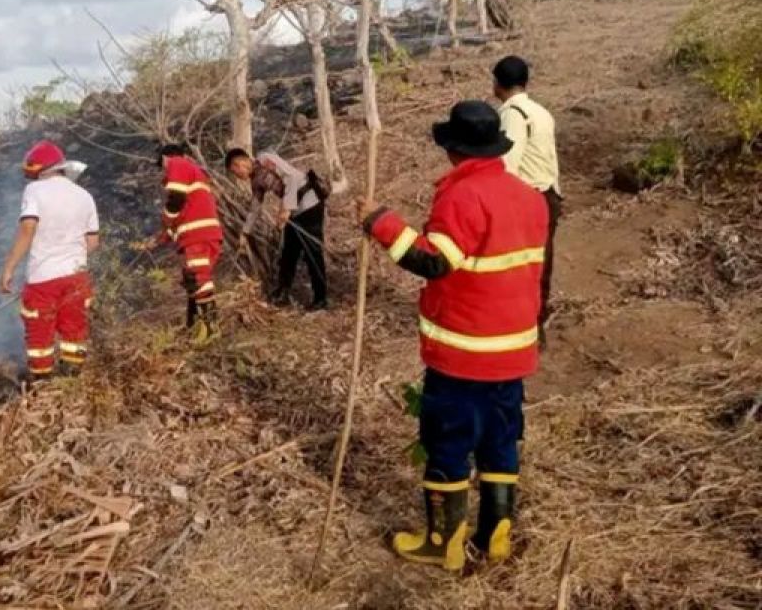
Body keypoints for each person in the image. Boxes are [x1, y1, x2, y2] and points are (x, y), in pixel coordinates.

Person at [358, 100, 548, 571]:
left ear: (454, 151)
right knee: (499, 442)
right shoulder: (529, 196)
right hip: (513, 352)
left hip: (463, 355)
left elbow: (434, 262)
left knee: (448, 444)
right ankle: (496, 536)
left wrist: (380, 223)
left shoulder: (461, 197)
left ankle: (443, 544)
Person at [0, 140, 99, 381]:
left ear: (38, 171)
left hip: (43, 279)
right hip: (77, 276)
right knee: (74, 333)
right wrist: (70, 257)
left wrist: (9, 269)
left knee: (40, 338)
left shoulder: (35, 191)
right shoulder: (84, 195)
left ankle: (43, 388)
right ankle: (72, 383)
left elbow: (28, 228)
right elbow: (93, 242)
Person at [493, 55, 562, 343]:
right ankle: (536, 324)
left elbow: (508, 162)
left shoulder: (512, 114)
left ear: (498, 83)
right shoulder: (541, 112)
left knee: (520, 265)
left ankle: (526, 328)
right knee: (542, 262)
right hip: (549, 194)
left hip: (527, 198)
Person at [225, 148, 328, 310]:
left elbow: (293, 178)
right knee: (288, 254)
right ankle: (283, 292)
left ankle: (321, 298)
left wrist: (286, 207)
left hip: (309, 204)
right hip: (295, 213)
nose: (237, 176)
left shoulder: (265, 159)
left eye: (235, 171)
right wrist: (245, 232)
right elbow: (255, 207)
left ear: (240, 163)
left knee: (312, 253)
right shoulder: (256, 181)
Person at [156, 143, 223, 336]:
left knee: (198, 278)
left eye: (162, 165)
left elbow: (176, 199)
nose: (164, 171)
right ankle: (193, 326)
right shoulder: (193, 174)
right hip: (201, 234)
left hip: (198, 235)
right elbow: (185, 209)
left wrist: (167, 218)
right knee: (192, 279)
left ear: (165, 158)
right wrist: (166, 234)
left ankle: (210, 330)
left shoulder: (178, 163)